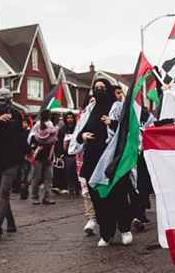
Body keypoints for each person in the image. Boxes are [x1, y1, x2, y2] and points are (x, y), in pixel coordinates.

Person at [69, 78, 133, 247]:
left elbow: (127, 129)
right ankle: (106, 233)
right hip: (92, 159)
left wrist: (111, 123)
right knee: (98, 198)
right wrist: (82, 137)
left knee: (117, 195)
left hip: (113, 160)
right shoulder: (90, 109)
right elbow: (79, 131)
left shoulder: (117, 107)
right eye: (96, 88)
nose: (99, 91)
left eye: (102, 88)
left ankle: (125, 229)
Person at [0, 88, 31, 240]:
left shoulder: (15, 114)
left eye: (7, 100)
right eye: (1, 99)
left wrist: (28, 151)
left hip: (12, 159)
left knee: (4, 191)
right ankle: (10, 219)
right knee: (3, 193)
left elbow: (21, 136)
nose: (4, 103)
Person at [30, 109, 57, 205]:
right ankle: (46, 196)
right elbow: (53, 141)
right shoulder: (51, 127)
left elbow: (31, 139)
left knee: (39, 177)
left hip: (39, 154)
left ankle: (37, 197)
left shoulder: (36, 126)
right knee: (46, 178)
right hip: (46, 154)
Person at [56, 111, 79, 198]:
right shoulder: (62, 130)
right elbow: (59, 144)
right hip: (67, 155)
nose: (70, 119)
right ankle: (71, 190)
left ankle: (77, 189)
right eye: (68, 118)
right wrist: (59, 155)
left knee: (77, 173)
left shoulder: (77, 129)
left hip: (77, 154)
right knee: (69, 173)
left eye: (71, 118)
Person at [19, 118, 32, 200]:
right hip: (20, 155)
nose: (24, 124)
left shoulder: (29, 133)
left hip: (28, 155)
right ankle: (23, 191)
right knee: (22, 174)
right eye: (22, 123)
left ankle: (24, 190)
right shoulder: (18, 133)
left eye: (25, 123)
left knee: (26, 173)